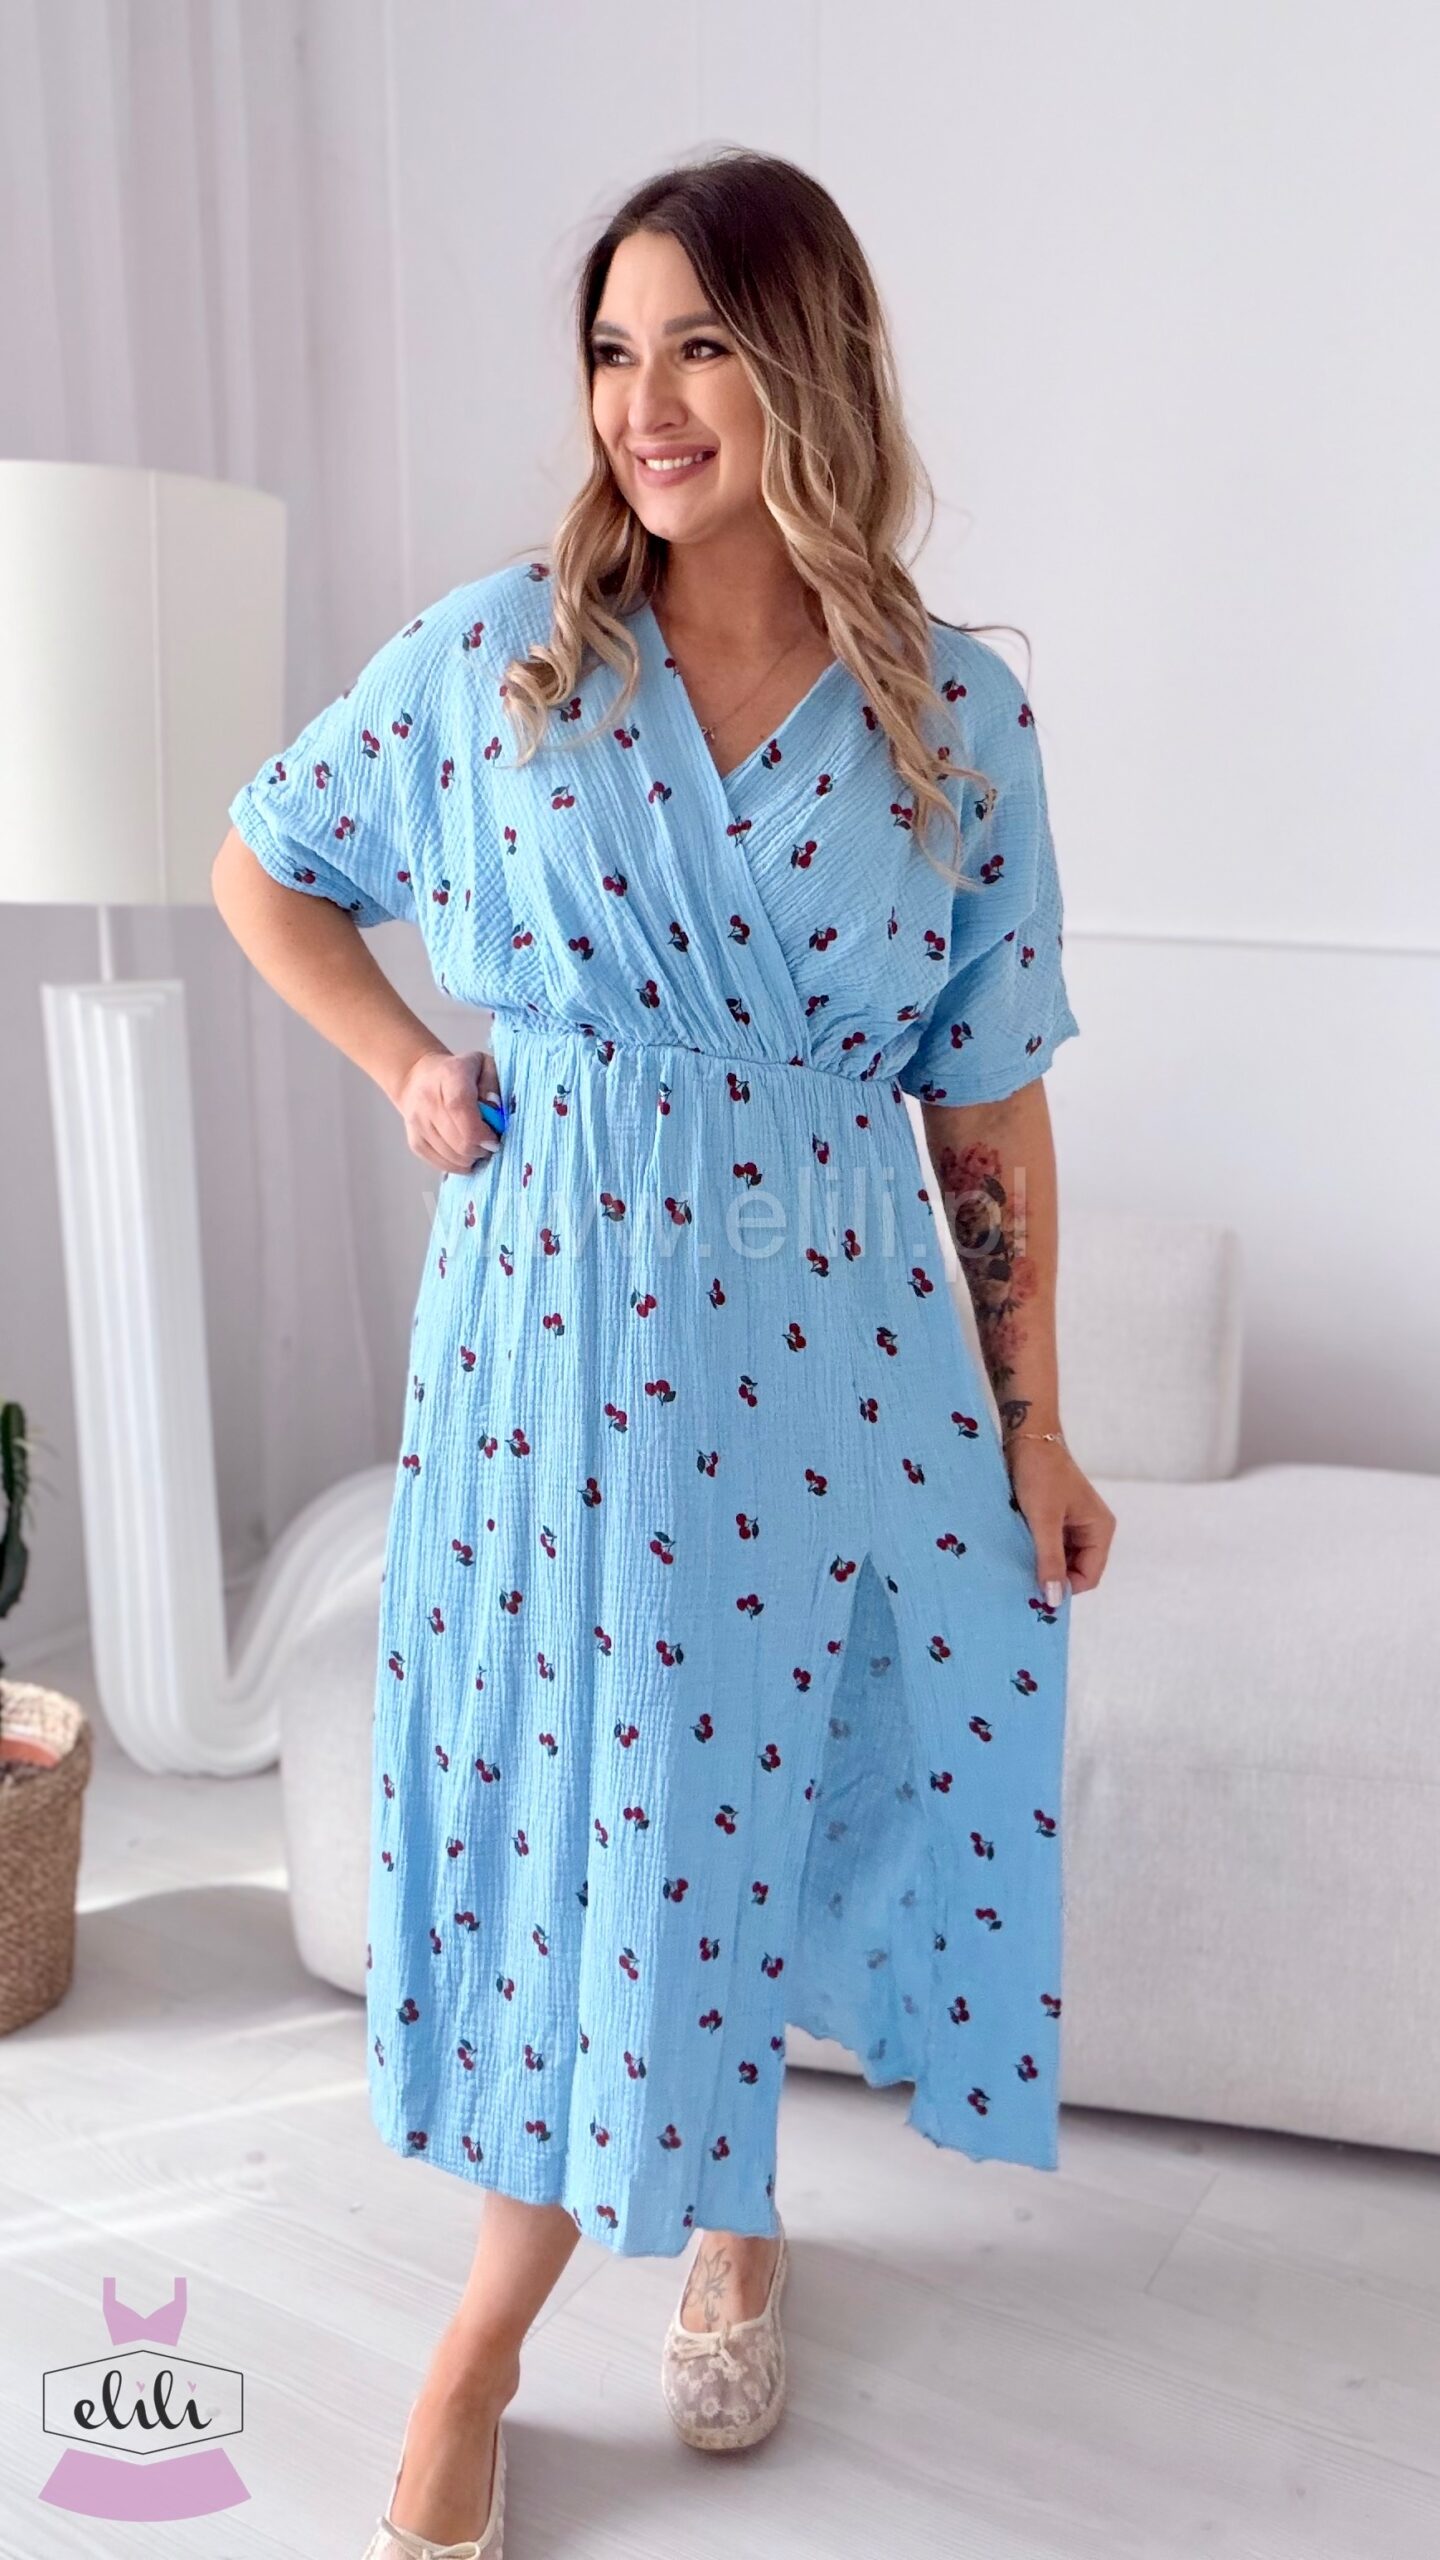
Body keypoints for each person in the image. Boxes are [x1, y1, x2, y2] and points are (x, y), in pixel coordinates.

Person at [213, 145, 1116, 2560]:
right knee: (566, 1818)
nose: (646, 399)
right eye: (613, 350)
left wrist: (1036, 1423)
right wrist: (406, 1063)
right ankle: (495, 2332)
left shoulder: (953, 714)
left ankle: (715, 2217)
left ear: (806, 364)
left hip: (827, 1351)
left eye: (700, 341)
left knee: (754, 1798)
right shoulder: (508, 657)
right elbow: (261, 863)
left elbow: (988, 1097)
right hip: (549, 1349)